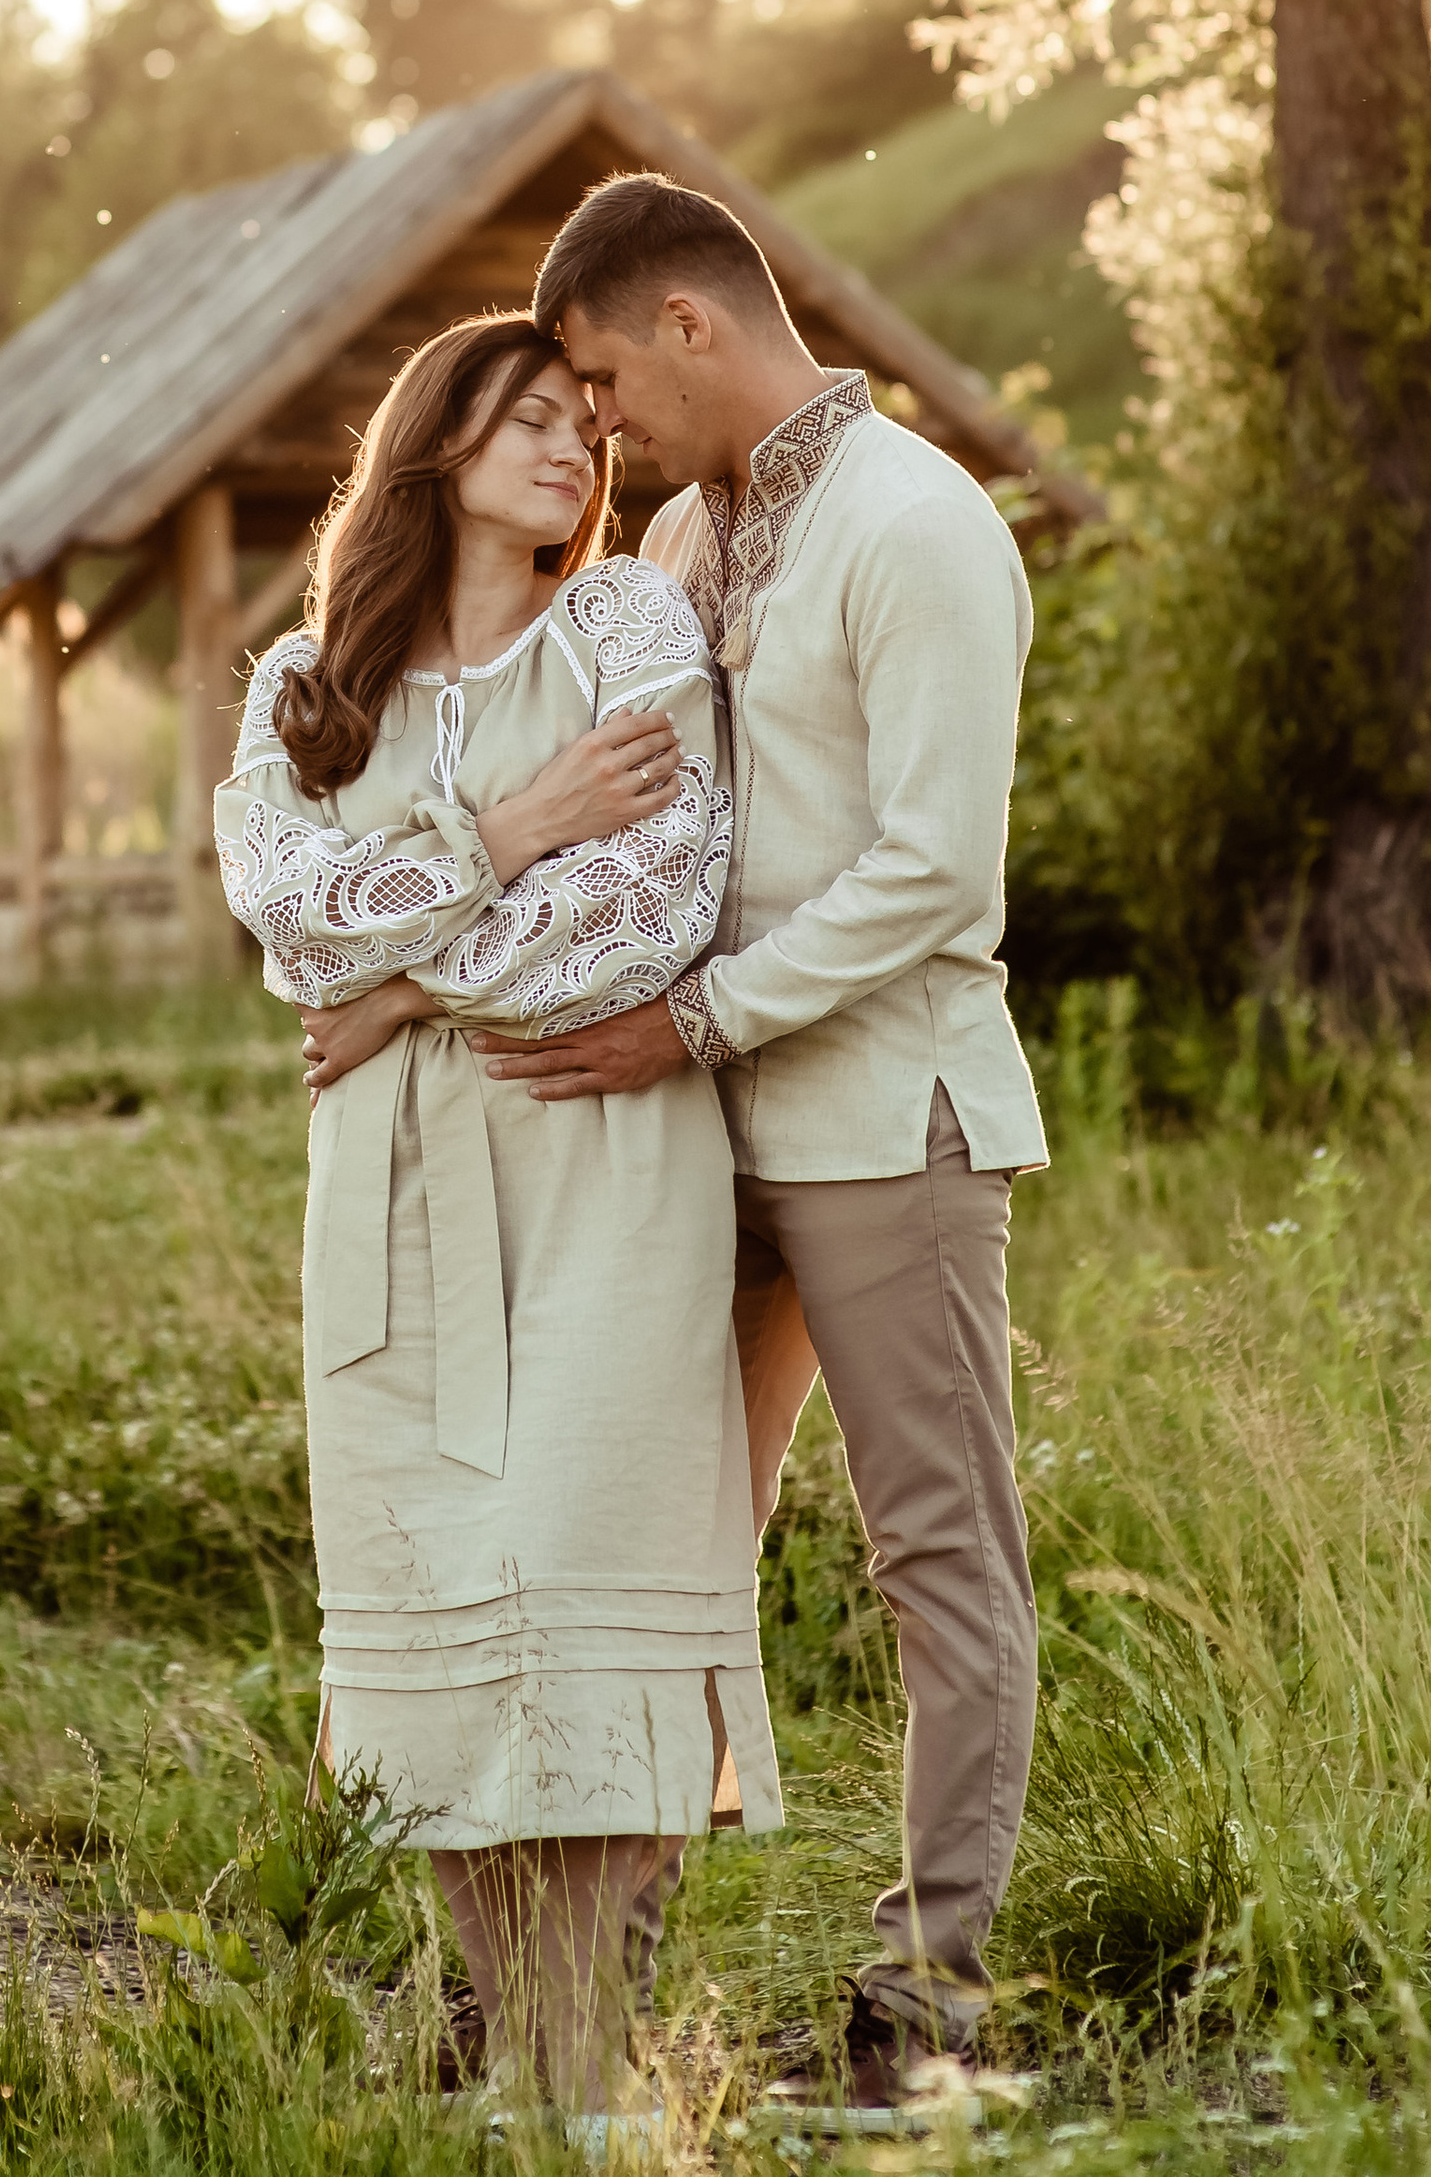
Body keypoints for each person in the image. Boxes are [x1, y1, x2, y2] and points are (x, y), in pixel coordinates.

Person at [471, 172, 1047, 2116]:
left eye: (605, 380)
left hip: (886, 1120)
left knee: (935, 1557)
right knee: (647, 1543)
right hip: (694, 1136)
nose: (599, 428)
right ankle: (583, 1993)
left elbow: (932, 875)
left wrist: (690, 1019)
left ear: (692, 323)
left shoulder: (918, 525)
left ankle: (924, 2000)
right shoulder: (693, 537)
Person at [216, 311, 780, 2131]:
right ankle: (530, 2060)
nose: (569, 444)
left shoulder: (625, 625)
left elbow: (655, 905)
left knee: (586, 1594)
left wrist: (405, 983)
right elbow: (297, 935)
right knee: (438, 1608)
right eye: (526, 415)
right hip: (389, 1204)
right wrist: (506, 823)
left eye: (581, 419)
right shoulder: (305, 685)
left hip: (605, 1166)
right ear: (436, 443)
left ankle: (586, 2067)